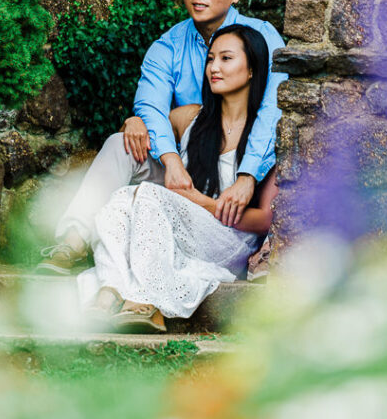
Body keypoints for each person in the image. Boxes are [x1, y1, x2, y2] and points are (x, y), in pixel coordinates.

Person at [39, 0, 286, 273]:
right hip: (186, 171)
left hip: (242, 178)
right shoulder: (168, 45)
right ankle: (72, 242)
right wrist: (166, 155)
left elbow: (274, 108)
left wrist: (246, 175)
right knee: (121, 144)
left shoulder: (263, 37)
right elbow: (151, 106)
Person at [77, 24, 279, 331]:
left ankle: (149, 298)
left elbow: (266, 219)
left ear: (252, 69)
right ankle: (112, 291)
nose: (214, 67)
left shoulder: (266, 135)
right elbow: (146, 130)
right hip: (178, 231)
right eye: (211, 59)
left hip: (230, 240)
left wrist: (203, 203)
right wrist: (134, 121)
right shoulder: (191, 118)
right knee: (120, 198)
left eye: (226, 59)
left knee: (149, 193)